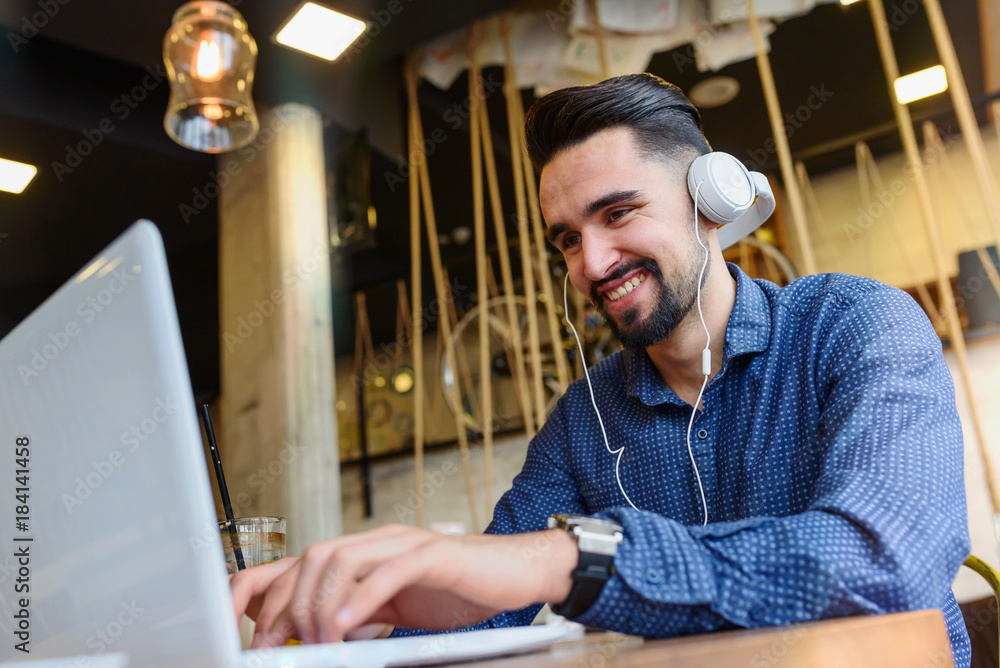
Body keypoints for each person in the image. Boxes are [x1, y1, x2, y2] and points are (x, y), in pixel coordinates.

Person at [230, 73, 971, 665]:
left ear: (711, 202)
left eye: (618, 214)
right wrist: (370, 622)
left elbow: (886, 562)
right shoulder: (582, 420)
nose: (591, 264)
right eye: (566, 239)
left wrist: (575, 559)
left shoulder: (855, 325)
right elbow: (493, 594)